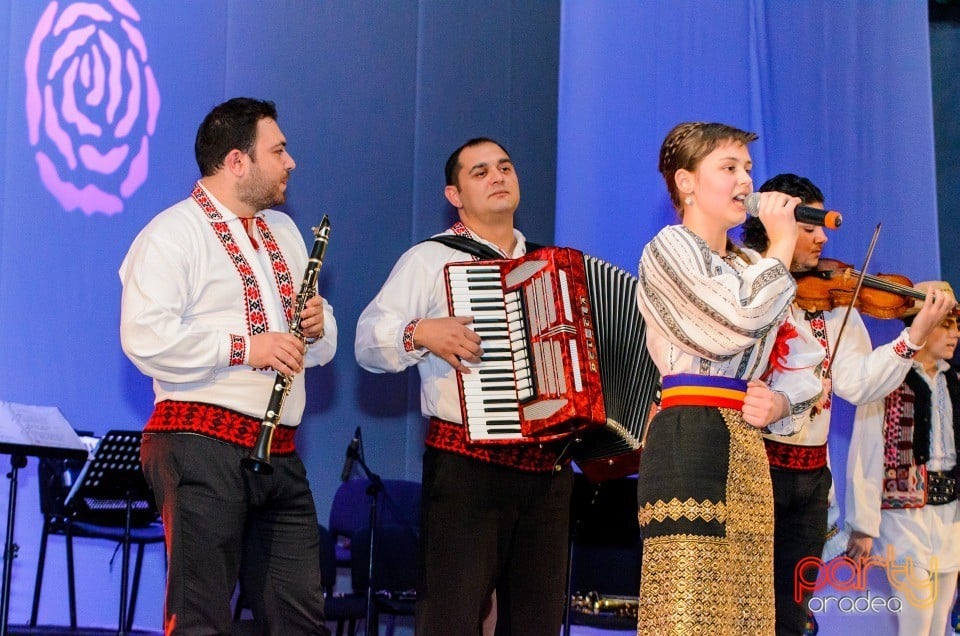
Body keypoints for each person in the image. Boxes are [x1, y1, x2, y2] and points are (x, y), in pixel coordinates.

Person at [119, 97, 337, 635]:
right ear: (237, 161)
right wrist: (246, 348)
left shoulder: (285, 233)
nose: (291, 163)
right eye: (278, 150)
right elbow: (145, 337)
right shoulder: (172, 233)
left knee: (300, 619)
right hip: (200, 443)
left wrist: (316, 325)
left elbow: (323, 344)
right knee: (200, 618)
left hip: (278, 452)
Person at [354, 137, 573, 635]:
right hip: (467, 466)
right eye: (480, 172)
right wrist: (419, 332)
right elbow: (367, 341)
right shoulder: (431, 259)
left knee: (536, 623)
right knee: (451, 619)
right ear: (454, 194)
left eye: (505, 167)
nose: (498, 177)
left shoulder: (554, 265)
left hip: (548, 471)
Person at [741, 173, 957, 635]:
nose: (823, 237)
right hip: (753, 470)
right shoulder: (746, 287)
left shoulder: (836, 301)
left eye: (823, 225)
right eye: (809, 225)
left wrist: (915, 334)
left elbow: (858, 384)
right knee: (745, 607)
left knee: (791, 612)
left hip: (811, 476)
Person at [635, 122, 825, 634]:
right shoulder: (668, 249)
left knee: (747, 615)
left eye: (748, 168)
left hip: (745, 443)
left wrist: (781, 404)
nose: (746, 180)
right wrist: (783, 245)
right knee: (690, 610)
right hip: (688, 438)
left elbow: (807, 360)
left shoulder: (748, 263)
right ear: (686, 182)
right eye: (729, 167)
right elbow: (733, 322)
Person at [845, 286, 960, 636]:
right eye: (946, 323)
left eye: (957, 324)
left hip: (949, 512)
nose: (955, 333)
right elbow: (866, 449)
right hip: (903, 513)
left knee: (940, 619)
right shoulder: (888, 375)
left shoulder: (953, 380)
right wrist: (863, 523)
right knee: (916, 617)